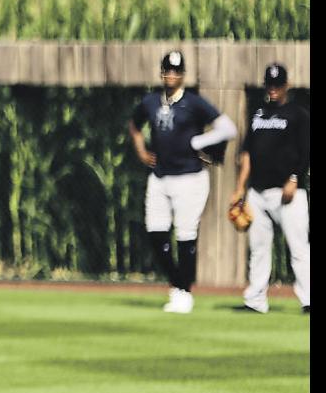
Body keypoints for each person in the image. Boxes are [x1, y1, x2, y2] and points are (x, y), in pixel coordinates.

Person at [128, 50, 238, 314]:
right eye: (167, 70)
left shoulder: (194, 103)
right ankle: (178, 282)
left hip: (190, 177)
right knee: (155, 232)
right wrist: (141, 151)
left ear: (183, 75)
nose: (171, 75)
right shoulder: (151, 101)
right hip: (160, 176)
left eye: (176, 71)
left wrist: (199, 142)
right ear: (161, 72)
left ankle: (184, 292)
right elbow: (134, 124)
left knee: (186, 234)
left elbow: (229, 128)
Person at [232, 62, 310, 315]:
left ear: (286, 85)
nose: (273, 89)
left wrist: (295, 178)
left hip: (288, 192)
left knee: (298, 248)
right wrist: (240, 189)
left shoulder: (298, 115)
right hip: (258, 192)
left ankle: (308, 298)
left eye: (277, 84)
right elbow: (247, 154)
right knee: (259, 248)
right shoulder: (258, 114)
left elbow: (306, 151)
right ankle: (255, 300)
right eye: (269, 84)